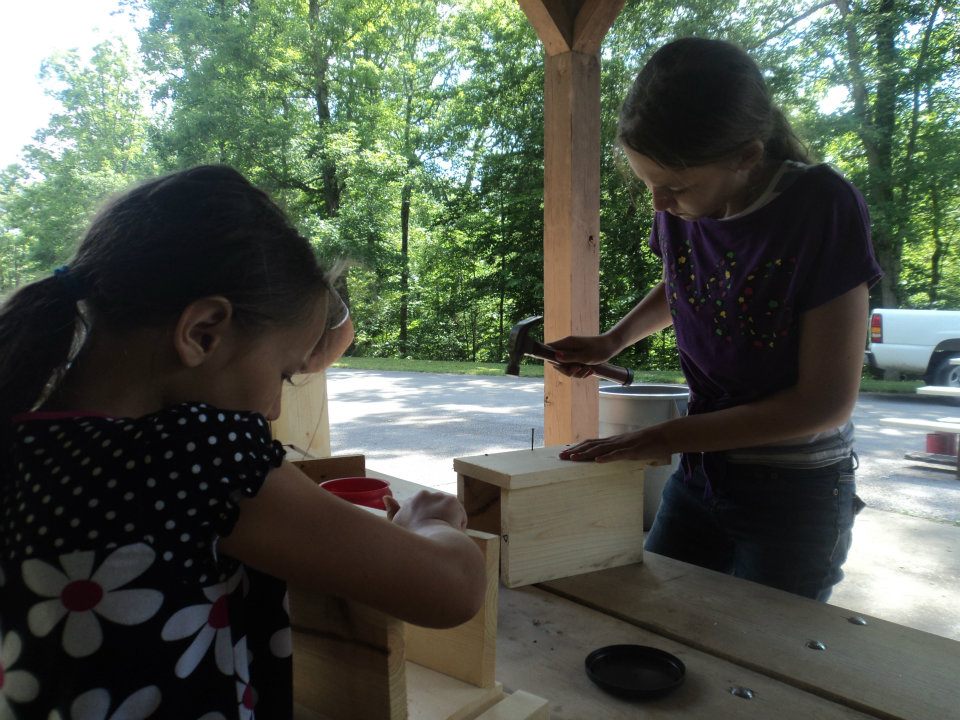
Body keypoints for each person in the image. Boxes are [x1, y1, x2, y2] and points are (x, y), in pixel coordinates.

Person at [0, 165, 486, 717]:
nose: (275, 409)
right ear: (203, 332)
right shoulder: (197, 457)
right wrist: (431, 523)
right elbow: (451, 589)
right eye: (283, 374)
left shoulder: (26, 438)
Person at [551, 37, 882, 602]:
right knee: (660, 612)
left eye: (675, 187)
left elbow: (825, 403)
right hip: (701, 473)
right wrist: (613, 340)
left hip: (794, 489)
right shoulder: (684, 203)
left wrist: (664, 437)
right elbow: (688, 282)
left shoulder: (820, 206)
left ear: (746, 157)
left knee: (765, 642)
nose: (659, 204)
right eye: (648, 184)